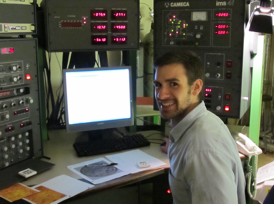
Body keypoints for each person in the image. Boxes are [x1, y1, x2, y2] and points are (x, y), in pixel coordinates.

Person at [153, 51, 246, 204]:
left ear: (196, 87)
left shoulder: (202, 150)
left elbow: (199, 152)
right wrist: (177, 147)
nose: (161, 95)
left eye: (173, 84)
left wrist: (190, 151)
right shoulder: (202, 124)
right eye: (158, 85)